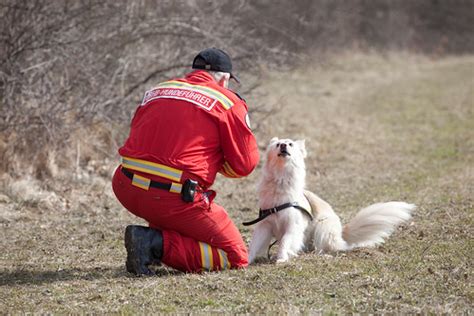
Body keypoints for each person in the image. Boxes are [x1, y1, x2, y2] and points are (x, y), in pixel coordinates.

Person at [112, 48, 259, 275]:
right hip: (172, 196)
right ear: (225, 78)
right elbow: (244, 165)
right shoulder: (228, 101)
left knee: (172, 213)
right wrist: (215, 158)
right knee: (236, 256)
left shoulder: (158, 90)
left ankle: (155, 239)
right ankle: (154, 245)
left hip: (125, 186)